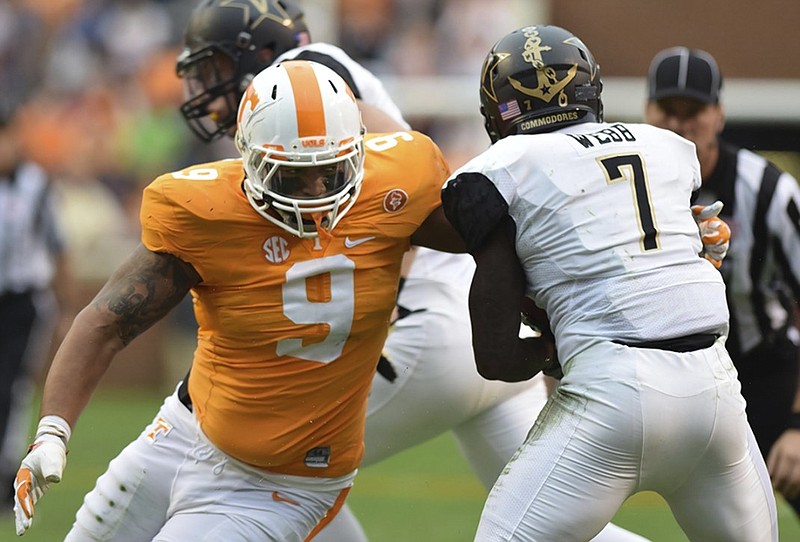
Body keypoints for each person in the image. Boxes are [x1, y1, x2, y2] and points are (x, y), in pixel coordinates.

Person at [173, 2, 653, 541]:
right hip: (468, 323)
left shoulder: (311, 78)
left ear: (256, 55)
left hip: (427, 324)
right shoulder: (314, 88)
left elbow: (382, 200)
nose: (205, 88)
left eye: (213, 70)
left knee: (256, 467)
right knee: (559, 531)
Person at [12, 59, 470, 540]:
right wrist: (53, 431)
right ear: (248, 158)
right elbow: (106, 322)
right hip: (186, 431)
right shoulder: (207, 212)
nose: (315, 194)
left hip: (288, 479)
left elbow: (491, 239)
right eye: (293, 177)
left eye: (331, 174)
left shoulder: (395, 183)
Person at [440, 25, 778, 541]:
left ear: (499, 109)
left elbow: (495, 357)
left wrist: (554, 348)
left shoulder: (503, 168)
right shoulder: (667, 148)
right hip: (715, 392)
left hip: (613, 392)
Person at [645, 47, 800, 514]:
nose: (679, 124)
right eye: (668, 110)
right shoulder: (630, 188)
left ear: (719, 114)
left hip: (764, 370)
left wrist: (798, 422)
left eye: (694, 111)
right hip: (672, 379)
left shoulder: (769, 191)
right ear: (648, 111)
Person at [0, 100, 71, 511]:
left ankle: (6, 469)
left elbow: (59, 249)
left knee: (13, 386)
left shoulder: (35, 185)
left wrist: (64, 310)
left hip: (20, 301)